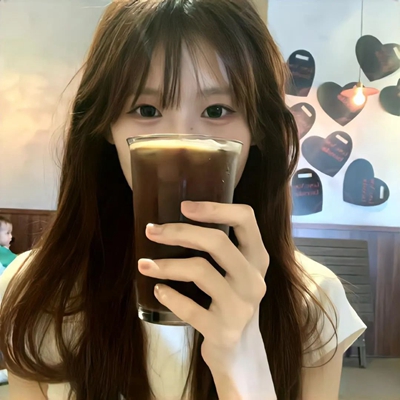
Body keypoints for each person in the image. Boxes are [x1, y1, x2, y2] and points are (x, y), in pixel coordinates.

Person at [0, 1, 366, 399]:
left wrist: (242, 361)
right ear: (106, 126)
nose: (182, 141)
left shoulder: (314, 304)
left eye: (217, 110)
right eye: (146, 109)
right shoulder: (36, 292)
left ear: (257, 130)